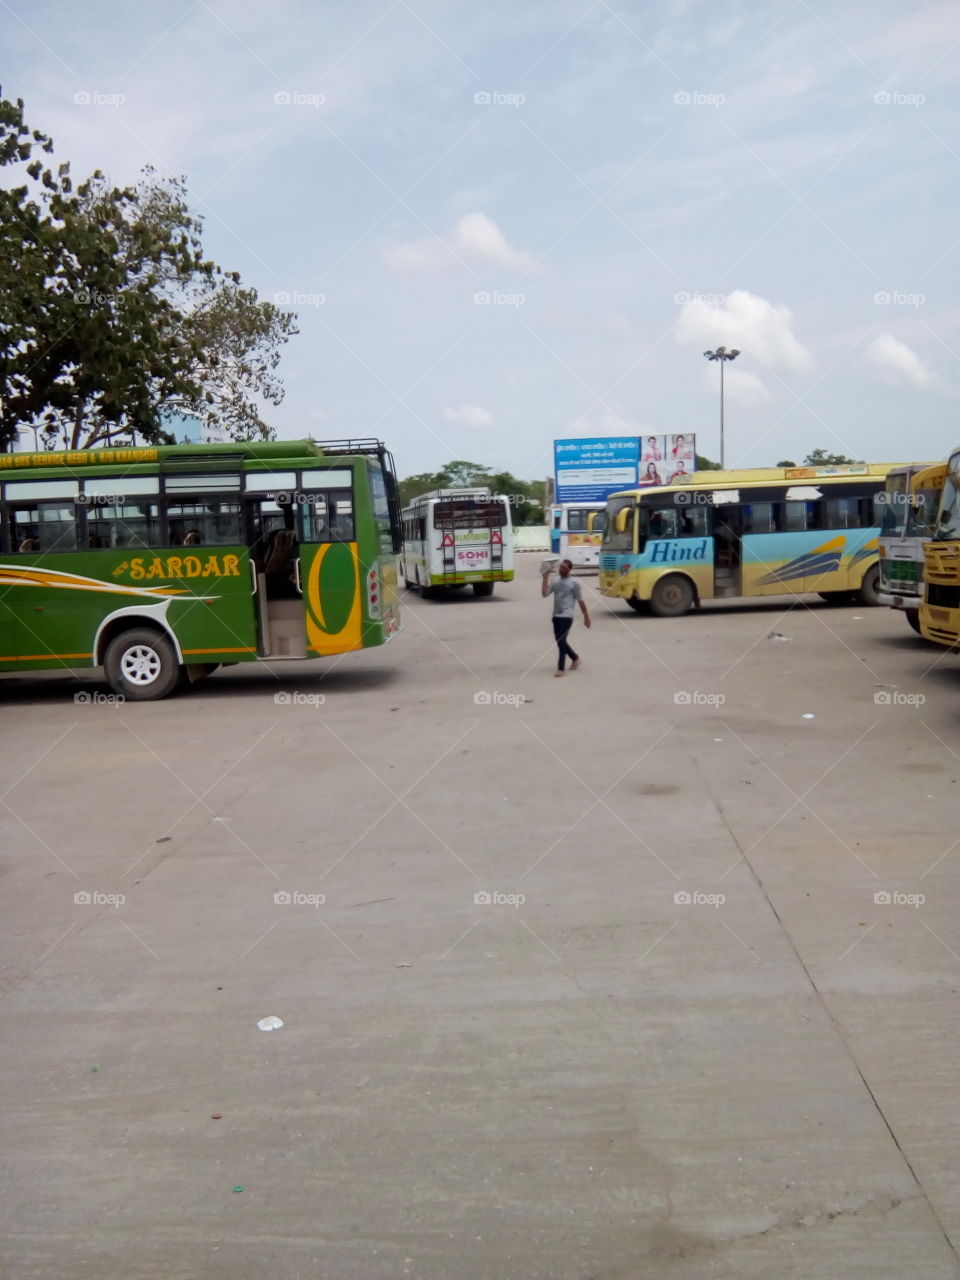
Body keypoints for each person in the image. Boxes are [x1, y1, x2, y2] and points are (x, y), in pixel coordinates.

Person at [541, 558, 590, 677]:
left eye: (564, 567)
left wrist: (586, 617)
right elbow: (544, 594)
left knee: (561, 640)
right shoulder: (556, 580)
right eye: (561, 566)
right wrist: (545, 578)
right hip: (556, 615)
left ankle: (561, 668)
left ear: (569, 569)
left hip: (567, 615)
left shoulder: (574, 583)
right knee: (559, 640)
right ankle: (575, 658)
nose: (561, 569)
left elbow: (580, 601)